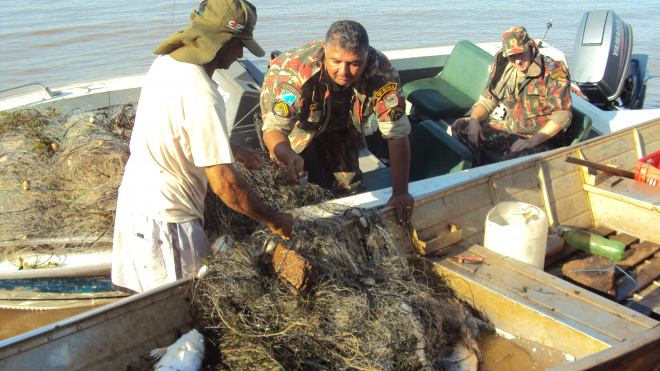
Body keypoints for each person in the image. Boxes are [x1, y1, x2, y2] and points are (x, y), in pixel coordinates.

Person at [112, 0, 293, 294]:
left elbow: (181, 129)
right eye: (239, 44)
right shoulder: (205, 96)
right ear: (220, 42)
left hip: (133, 204)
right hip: (169, 222)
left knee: (145, 302)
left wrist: (235, 149)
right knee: (189, 310)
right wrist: (276, 221)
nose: (241, 53)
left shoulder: (168, 63)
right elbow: (227, 187)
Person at [259, 20, 414, 225]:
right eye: (336, 61)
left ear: (367, 57)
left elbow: (397, 134)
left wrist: (401, 191)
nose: (344, 72)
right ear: (325, 52)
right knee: (287, 181)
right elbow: (273, 129)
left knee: (350, 188)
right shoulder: (297, 75)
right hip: (300, 115)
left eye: (355, 63)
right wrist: (289, 157)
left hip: (342, 118)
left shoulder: (382, 74)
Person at [451, 26, 572, 165]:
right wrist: (474, 120)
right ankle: (476, 170)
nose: (517, 61)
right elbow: (489, 99)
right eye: (512, 56)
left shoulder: (552, 71)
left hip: (542, 138)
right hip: (512, 128)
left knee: (509, 164)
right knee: (460, 127)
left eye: (521, 54)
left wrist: (532, 141)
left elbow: (563, 115)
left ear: (530, 47)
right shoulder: (507, 69)